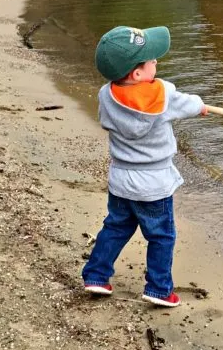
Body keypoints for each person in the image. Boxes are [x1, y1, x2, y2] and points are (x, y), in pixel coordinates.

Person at [82, 25, 206, 307]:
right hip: (154, 183)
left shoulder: (107, 94)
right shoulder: (161, 95)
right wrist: (201, 106)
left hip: (121, 178)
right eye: (151, 59)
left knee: (115, 227)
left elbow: (107, 114)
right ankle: (159, 288)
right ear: (138, 74)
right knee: (161, 236)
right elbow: (188, 105)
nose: (156, 62)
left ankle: (96, 276)